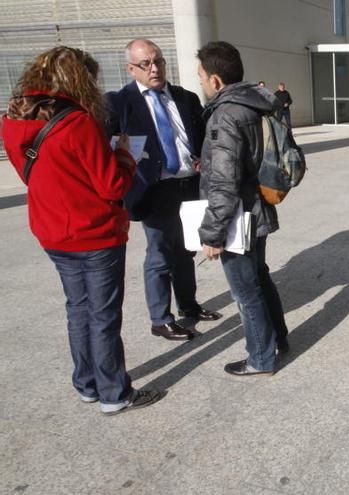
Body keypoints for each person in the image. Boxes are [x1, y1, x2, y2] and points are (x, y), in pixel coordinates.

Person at [2, 46, 165, 415]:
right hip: (94, 233)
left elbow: (33, 174)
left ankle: (87, 383)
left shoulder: (12, 120)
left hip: (51, 230)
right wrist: (123, 154)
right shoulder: (79, 122)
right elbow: (112, 186)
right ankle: (114, 393)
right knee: (103, 314)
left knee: (77, 308)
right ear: (78, 79)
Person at [105, 38, 220, 343]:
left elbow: (201, 136)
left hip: (187, 185)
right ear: (131, 69)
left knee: (186, 250)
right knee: (159, 254)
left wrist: (200, 157)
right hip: (153, 190)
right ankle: (160, 318)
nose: (154, 68)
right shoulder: (119, 103)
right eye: (145, 64)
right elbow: (104, 148)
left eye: (158, 61)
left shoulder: (184, 97)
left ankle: (189, 306)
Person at [196, 41, 290, 376]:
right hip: (259, 209)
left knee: (245, 293)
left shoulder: (225, 114)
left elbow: (224, 182)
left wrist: (212, 233)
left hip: (239, 218)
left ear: (216, 81)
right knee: (261, 280)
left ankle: (260, 359)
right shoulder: (256, 104)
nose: (202, 83)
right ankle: (279, 339)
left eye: (202, 77)